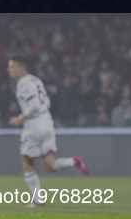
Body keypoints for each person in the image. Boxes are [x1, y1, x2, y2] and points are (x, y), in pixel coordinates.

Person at [7, 56, 89, 207]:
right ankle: (74, 161)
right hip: (47, 121)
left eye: (12, 67)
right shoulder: (36, 80)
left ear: (21, 67)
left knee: (27, 162)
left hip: (34, 125)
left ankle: (38, 200)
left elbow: (34, 106)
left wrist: (20, 117)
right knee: (50, 165)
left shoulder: (23, 83)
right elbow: (46, 101)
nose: (9, 70)